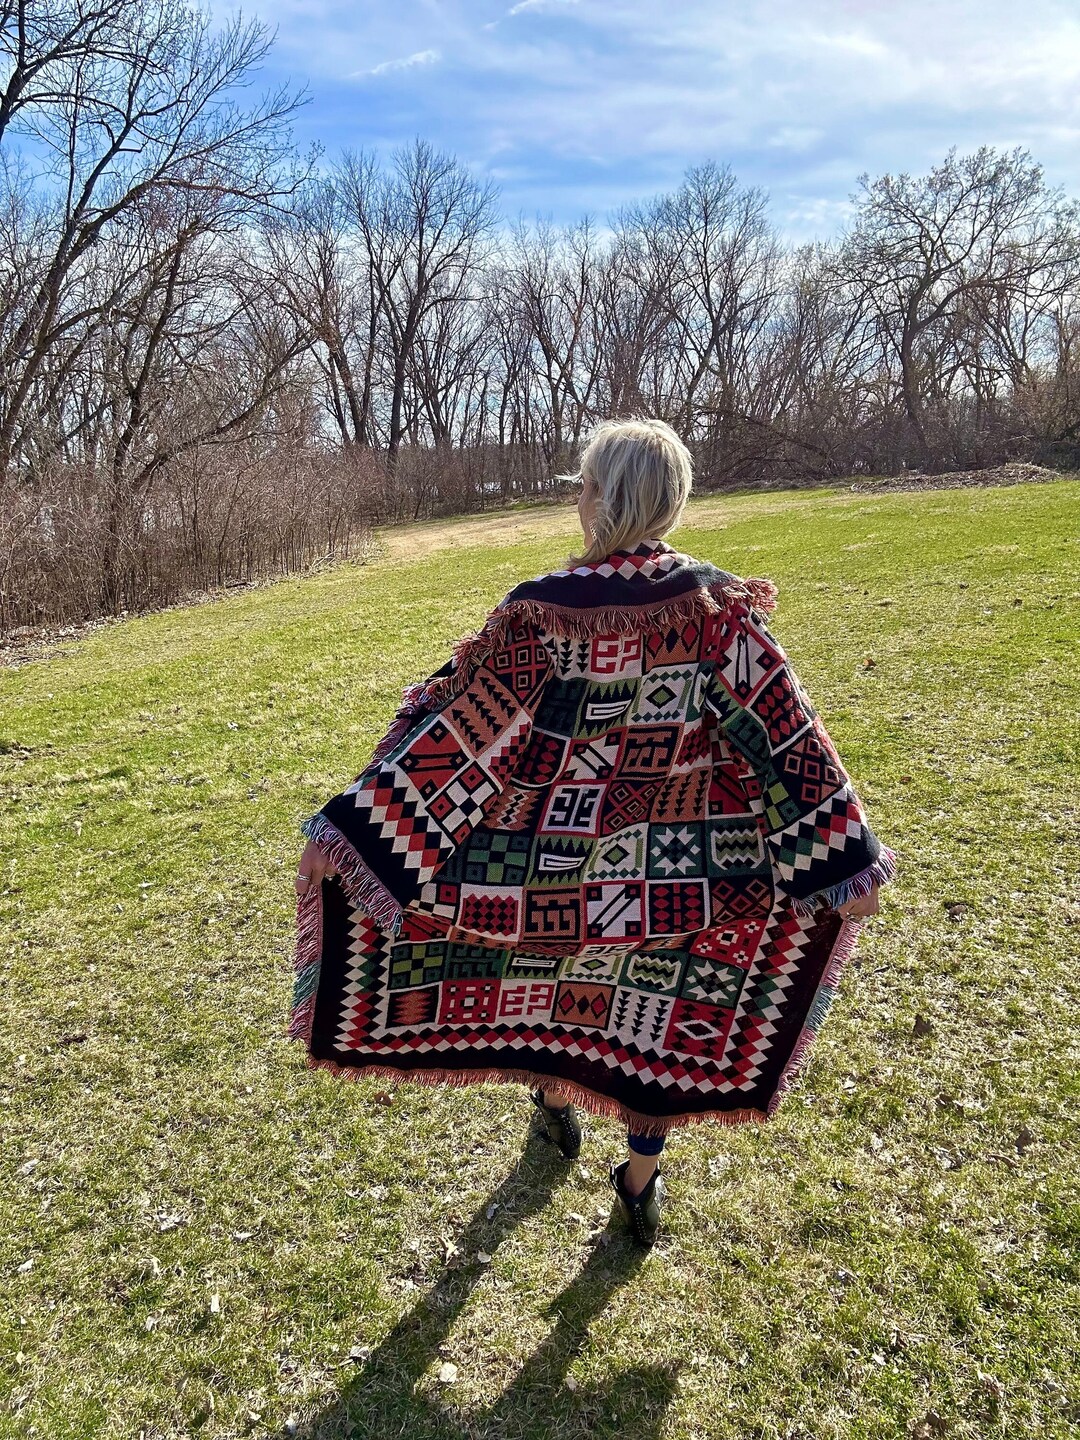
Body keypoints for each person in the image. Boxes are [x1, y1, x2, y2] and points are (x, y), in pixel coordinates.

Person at [293, 417, 896, 1248]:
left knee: (552, 992)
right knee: (655, 1016)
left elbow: (471, 729)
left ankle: (552, 1110)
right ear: (670, 503)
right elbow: (781, 728)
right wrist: (842, 855)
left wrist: (360, 825)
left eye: (584, 485)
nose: (578, 498)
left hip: (550, 869)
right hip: (686, 876)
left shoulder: (544, 611)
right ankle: (638, 1184)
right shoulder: (717, 608)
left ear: (601, 500)